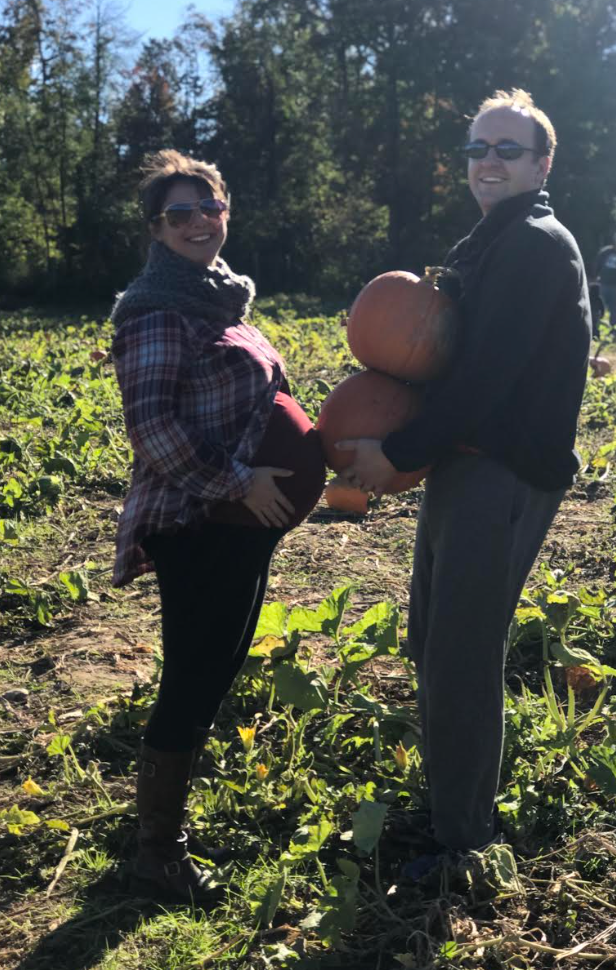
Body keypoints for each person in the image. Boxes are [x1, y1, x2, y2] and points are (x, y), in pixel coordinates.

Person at [338, 89, 591, 863]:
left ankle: (463, 842)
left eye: (506, 150)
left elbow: (483, 380)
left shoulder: (536, 245)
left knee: (459, 651)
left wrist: (398, 451)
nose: (487, 161)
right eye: (478, 149)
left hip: (503, 472)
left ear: (543, 162)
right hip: (465, 463)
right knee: (432, 640)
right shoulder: (493, 238)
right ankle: (457, 796)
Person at [110, 150, 325, 901]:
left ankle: (161, 838)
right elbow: (153, 432)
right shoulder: (156, 308)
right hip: (198, 521)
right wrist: (241, 481)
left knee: (215, 669)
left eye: (210, 208)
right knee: (195, 677)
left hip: (240, 524)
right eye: (180, 213)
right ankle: (156, 855)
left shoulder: (219, 298)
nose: (200, 222)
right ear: (156, 228)